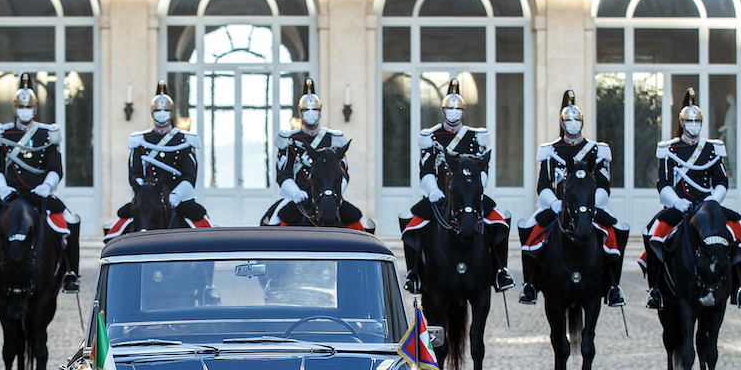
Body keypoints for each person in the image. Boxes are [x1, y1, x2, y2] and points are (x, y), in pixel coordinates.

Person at [640, 88, 741, 309]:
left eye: (697, 121)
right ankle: (655, 289)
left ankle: (740, 289)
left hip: (707, 205)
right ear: (683, 123)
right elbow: (663, 183)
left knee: (738, 231)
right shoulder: (669, 149)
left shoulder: (713, 148)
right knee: (654, 233)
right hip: (680, 204)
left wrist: (714, 199)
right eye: (690, 121)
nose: (694, 125)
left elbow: (721, 180)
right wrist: (676, 202)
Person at [0, 73, 80, 293]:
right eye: (21, 106)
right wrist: (2, 188)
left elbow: (55, 168)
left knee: (69, 221)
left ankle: (70, 272)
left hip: (39, 193)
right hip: (9, 194)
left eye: (28, 107)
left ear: (35, 109)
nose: (24, 110)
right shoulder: (2, 133)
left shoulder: (47, 134)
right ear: (14, 108)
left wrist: (46, 187)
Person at [399, 79, 513, 294]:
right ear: (443, 111)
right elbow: (426, 169)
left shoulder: (475, 136)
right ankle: (413, 273)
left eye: (457, 109)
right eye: (450, 109)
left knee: (499, 222)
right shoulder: (431, 136)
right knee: (411, 225)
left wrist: (478, 189)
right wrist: (432, 191)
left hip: (469, 195)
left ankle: (500, 270)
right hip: (440, 195)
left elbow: (483, 169)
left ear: (463, 111)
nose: (453, 112)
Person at [517, 90, 628, 307]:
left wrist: (592, 204)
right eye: (569, 121)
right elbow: (543, 185)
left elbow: (604, 185)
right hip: (558, 205)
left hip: (590, 205)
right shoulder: (551, 150)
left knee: (616, 231)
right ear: (562, 123)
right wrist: (554, 203)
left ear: (582, 123)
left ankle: (613, 286)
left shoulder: (597, 150)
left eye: (577, 121)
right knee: (530, 230)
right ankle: (530, 284)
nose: (573, 124)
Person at [259, 78, 372, 231]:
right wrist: (295, 192)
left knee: (362, 225)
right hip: (299, 194)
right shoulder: (289, 139)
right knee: (273, 222)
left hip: (329, 196)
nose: (311, 113)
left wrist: (336, 194)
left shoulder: (334, 138)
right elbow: (283, 173)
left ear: (320, 111)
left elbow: (344, 172)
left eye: (315, 109)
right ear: (301, 112)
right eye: (306, 110)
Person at [105, 81, 212, 239]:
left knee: (203, 225)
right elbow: (134, 172)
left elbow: (190, 174)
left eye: (165, 110)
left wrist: (177, 195)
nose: (161, 114)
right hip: (147, 196)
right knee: (116, 228)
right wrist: (143, 191)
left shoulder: (185, 139)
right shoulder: (140, 140)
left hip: (178, 196)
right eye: (158, 111)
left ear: (171, 113)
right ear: (152, 113)